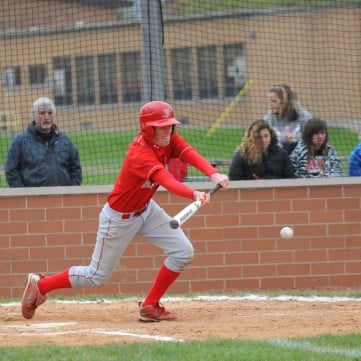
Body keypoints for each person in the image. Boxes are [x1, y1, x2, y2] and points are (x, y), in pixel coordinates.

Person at [20, 100, 230, 322]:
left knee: (183, 252)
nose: (168, 130)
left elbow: (188, 152)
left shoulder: (167, 139)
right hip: (118, 218)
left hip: (147, 210)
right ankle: (41, 285)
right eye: (161, 126)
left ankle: (150, 305)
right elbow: (165, 180)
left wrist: (212, 173)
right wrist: (193, 194)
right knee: (95, 276)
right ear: (148, 128)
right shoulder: (139, 153)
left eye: (170, 125)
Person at [5, 97, 82, 187]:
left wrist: (71, 191)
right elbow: (11, 171)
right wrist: (24, 195)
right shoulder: (20, 141)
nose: (46, 117)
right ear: (34, 115)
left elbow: (76, 169)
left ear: (54, 115)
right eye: (42, 113)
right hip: (32, 199)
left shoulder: (65, 140)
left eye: (50, 113)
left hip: (61, 198)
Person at [229, 119, 295, 180]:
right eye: (259, 137)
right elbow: (234, 179)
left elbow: (291, 178)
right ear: (252, 138)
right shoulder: (242, 154)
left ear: (271, 135)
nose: (263, 140)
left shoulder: (281, 154)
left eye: (266, 136)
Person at [263, 83, 311, 154]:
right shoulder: (269, 117)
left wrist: (296, 142)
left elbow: (312, 142)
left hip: (299, 155)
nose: (271, 105)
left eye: (274, 101)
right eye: (270, 101)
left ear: (285, 101)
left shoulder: (304, 116)